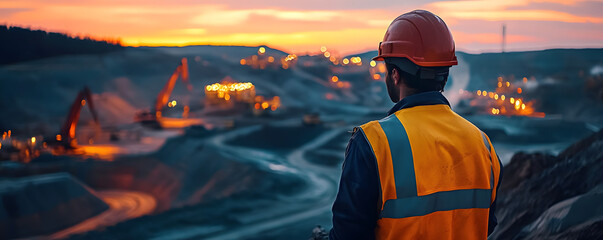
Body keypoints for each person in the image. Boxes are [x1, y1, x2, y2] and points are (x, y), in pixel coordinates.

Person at [329, 10, 503, 240]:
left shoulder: (372, 142)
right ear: (445, 73)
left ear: (395, 75)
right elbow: (486, 224)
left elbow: (348, 234)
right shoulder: (482, 144)